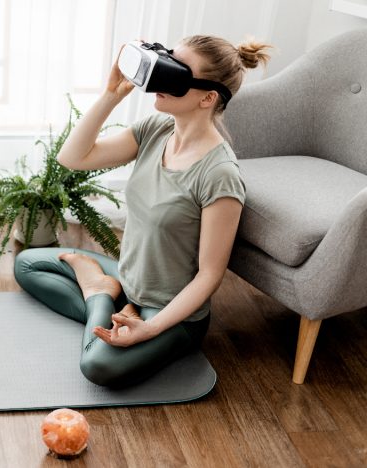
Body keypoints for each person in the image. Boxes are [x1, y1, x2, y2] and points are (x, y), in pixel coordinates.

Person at [14, 35, 272, 388]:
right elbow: (72, 158)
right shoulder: (157, 130)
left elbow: (210, 276)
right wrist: (111, 95)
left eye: (176, 72)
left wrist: (150, 327)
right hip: (128, 278)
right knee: (27, 265)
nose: (158, 78)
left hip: (170, 312)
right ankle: (103, 294)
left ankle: (102, 300)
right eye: (166, 60)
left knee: (98, 366)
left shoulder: (220, 175)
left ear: (207, 97)